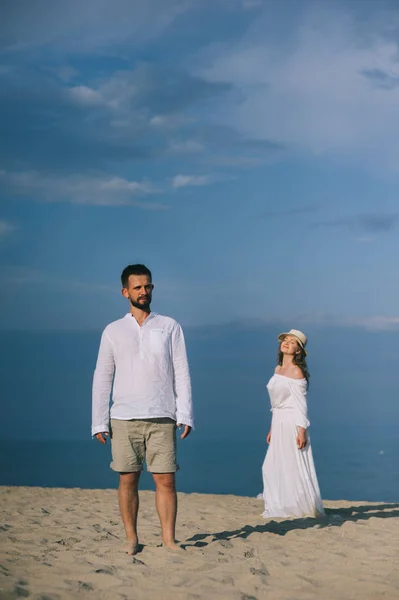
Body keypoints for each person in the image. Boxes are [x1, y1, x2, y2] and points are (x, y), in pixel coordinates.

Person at [92, 264, 194, 554]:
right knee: (128, 478)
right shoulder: (113, 330)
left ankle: (169, 539)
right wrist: (98, 421)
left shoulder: (169, 326)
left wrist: (185, 413)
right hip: (123, 417)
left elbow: (181, 371)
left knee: (166, 479)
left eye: (147, 286)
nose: (143, 291)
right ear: (125, 292)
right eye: (137, 287)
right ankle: (131, 538)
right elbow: (102, 376)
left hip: (163, 415)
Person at [260, 329, 324, 519]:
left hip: (291, 423)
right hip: (278, 420)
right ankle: (280, 503)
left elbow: (300, 405)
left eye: (292, 342)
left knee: (291, 462)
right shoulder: (277, 369)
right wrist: (272, 428)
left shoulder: (296, 372)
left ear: (298, 351)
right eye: (285, 340)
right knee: (273, 464)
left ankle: (296, 506)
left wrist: (302, 430)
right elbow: (276, 404)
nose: (287, 343)